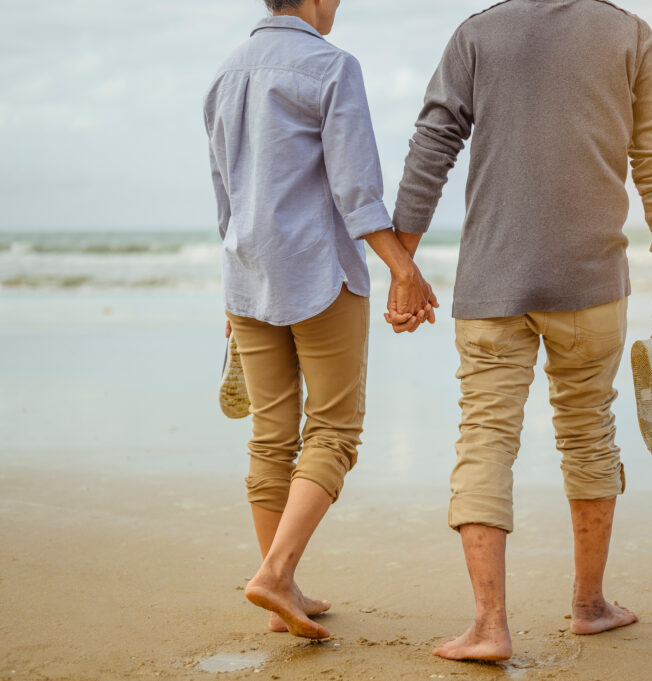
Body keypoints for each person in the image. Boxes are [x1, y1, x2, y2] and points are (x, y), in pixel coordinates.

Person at [389, 0, 652, 661]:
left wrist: (403, 263)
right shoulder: (631, 34)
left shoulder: (475, 34)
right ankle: (590, 605)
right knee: (589, 429)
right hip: (590, 280)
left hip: (492, 280)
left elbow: (432, 144)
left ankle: (489, 625)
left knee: (484, 437)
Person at [203, 0, 436, 639]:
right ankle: (276, 576)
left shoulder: (225, 72)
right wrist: (402, 268)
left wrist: (233, 292)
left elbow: (225, 196)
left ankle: (282, 590)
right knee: (334, 431)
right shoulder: (331, 66)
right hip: (318, 270)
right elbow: (356, 190)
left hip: (247, 275)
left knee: (271, 436)